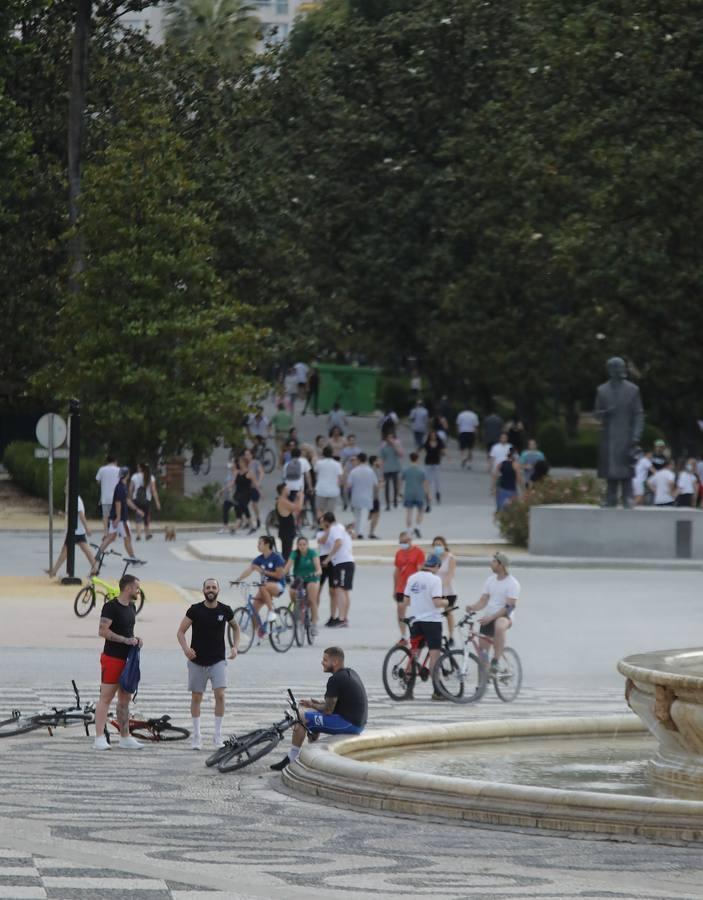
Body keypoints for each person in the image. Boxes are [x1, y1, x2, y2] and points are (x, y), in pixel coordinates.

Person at [270, 646, 367, 771]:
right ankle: (313, 752)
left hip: (349, 724)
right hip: (355, 721)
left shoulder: (335, 680)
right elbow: (336, 704)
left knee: (301, 717)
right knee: (308, 711)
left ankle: (291, 758)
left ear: (335, 662)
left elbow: (328, 710)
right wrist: (314, 705)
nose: (322, 662)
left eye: (325, 660)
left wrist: (313, 705)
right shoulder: (349, 673)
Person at [177, 578, 239, 750]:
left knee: (220, 695)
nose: (210, 590)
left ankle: (217, 736)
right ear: (203, 590)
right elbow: (181, 632)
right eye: (208, 587)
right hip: (196, 661)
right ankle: (197, 736)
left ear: (218, 590)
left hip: (218, 660)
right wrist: (186, 649)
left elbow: (236, 628)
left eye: (214, 587)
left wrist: (235, 647)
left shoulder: (225, 610)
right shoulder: (195, 610)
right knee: (197, 697)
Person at [93, 574, 144, 750]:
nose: (138, 590)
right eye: (137, 587)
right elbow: (103, 631)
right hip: (112, 657)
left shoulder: (132, 607)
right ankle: (99, 737)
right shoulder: (110, 607)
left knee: (125, 699)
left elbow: (128, 631)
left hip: (128, 659)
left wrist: (135, 639)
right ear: (128, 588)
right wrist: (124, 640)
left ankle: (125, 736)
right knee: (106, 697)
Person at [404, 555, 449, 700]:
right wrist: (446, 602)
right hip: (432, 621)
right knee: (434, 654)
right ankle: (437, 690)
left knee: (414, 653)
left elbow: (406, 600)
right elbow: (437, 602)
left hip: (415, 620)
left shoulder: (413, 577)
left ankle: (408, 690)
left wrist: (419, 603)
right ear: (436, 566)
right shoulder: (435, 579)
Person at [466, 551, 519, 669]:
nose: (491, 563)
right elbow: (483, 600)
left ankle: (496, 659)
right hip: (489, 616)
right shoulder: (490, 580)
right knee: (483, 654)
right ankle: (484, 681)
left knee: (499, 626)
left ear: (501, 565)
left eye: (494, 561)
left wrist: (492, 617)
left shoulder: (513, 583)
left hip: (504, 616)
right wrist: (472, 607)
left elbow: (509, 607)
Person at [235, 535, 286, 627]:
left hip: (278, 586)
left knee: (262, 586)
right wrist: (238, 580)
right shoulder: (259, 558)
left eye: (260, 543)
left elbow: (279, 575)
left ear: (267, 544)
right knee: (253, 611)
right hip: (265, 588)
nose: (257, 546)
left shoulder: (276, 557)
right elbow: (250, 569)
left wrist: (263, 571)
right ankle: (258, 634)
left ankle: (271, 612)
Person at [46, 492, 96, 578]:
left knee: (67, 551)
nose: (65, 489)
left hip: (76, 530)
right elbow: (74, 514)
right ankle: (95, 568)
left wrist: (87, 528)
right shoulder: (72, 498)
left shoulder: (76, 499)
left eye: (66, 486)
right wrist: (64, 514)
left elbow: (81, 515)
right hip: (76, 530)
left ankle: (54, 571)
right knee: (81, 549)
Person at [319, 512, 354, 628]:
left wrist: (328, 558)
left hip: (342, 562)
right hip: (347, 561)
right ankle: (344, 617)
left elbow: (338, 542)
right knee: (344, 590)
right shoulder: (339, 527)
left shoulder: (334, 529)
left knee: (339, 590)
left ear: (326, 522)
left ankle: (342, 618)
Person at [97, 466, 139, 561]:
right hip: (121, 519)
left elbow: (127, 500)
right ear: (127, 475)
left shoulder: (121, 486)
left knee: (111, 537)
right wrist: (119, 517)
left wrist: (137, 509)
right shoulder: (120, 487)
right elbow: (118, 503)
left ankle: (98, 555)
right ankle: (133, 558)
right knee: (127, 537)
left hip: (116, 517)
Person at [283, 536, 322, 636]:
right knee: (292, 592)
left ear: (307, 545)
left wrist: (316, 573)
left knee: (312, 598)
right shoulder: (295, 553)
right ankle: (294, 610)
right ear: (297, 546)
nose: (302, 546)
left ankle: (314, 625)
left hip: (311, 578)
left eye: (304, 544)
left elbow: (319, 569)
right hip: (299, 578)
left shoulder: (312, 553)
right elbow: (287, 567)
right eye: (300, 544)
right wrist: (282, 574)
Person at [393, 531, 425, 642]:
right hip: (401, 587)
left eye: (405, 542)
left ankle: (418, 635)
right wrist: (395, 587)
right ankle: (403, 636)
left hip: (414, 587)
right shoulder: (399, 553)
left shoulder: (418, 552)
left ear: (410, 541)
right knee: (400, 610)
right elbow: (397, 570)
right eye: (401, 542)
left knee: (416, 611)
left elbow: (420, 570)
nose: (403, 544)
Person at [347, 452, 378, 539]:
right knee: (364, 516)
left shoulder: (353, 471)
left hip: (356, 496)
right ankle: (360, 532)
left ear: (358, 460)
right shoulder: (370, 471)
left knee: (357, 516)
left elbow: (349, 485)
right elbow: (375, 484)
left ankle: (356, 532)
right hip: (367, 496)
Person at [433, 536, 457, 642]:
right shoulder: (433, 558)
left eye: (439, 545)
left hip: (448, 591)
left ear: (444, 545)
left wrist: (440, 585)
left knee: (448, 612)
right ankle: (435, 635)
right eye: (435, 545)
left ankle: (451, 636)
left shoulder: (450, 558)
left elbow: (450, 575)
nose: (437, 547)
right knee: (433, 613)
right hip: (435, 591)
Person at [128, 462, 160, 541]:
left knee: (138, 517)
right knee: (146, 517)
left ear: (141, 468)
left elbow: (130, 489)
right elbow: (153, 490)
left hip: (137, 499)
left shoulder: (134, 476)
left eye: (138, 467)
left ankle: (138, 535)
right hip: (147, 499)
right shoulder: (151, 477)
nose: (137, 468)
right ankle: (147, 534)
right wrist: (157, 502)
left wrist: (130, 498)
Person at [400, 452, 429, 538]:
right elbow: (425, 483)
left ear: (410, 459)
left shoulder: (406, 470)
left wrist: (399, 492)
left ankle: (409, 530)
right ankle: (417, 527)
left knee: (409, 512)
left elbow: (401, 481)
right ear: (418, 459)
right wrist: (428, 494)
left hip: (408, 493)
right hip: (419, 493)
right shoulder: (421, 471)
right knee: (420, 511)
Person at [274, 483, 304, 561]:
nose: (289, 490)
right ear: (283, 490)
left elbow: (294, 508)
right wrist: (301, 497)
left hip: (287, 531)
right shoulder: (282, 501)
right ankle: (284, 571)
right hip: (286, 532)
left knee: (287, 553)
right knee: (286, 554)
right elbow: (298, 508)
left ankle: (285, 571)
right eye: (287, 489)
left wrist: (297, 498)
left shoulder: (283, 500)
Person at [314, 445, 343, 515]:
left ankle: (321, 524)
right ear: (332, 453)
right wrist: (338, 487)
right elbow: (340, 478)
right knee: (330, 512)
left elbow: (316, 474)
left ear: (323, 453)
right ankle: (329, 525)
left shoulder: (319, 463)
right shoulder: (337, 464)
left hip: (321, 489)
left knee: (320, 510)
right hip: (333, 490)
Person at [95, 455, 120, 534]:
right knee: (116, 515)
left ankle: (106, 532)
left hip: (105, 496)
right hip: (116, 497)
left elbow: (98, 481)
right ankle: (114, 531)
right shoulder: (119, 470)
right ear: (115, 461)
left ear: (107, 461)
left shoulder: (102, 469)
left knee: (105, 515)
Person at [494, 447, 523, 512]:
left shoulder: (501, 464)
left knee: (501, 509)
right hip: (512, 490)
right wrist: (523, 489)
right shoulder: (516, 465)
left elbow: (495, 475)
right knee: (513, 510)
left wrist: (494, 488)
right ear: (514, 455)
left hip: (501, 489)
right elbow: (519, 479)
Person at [380, 433, 403, 509]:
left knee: (395, 486)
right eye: (388, 438)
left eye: (391, 438)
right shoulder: (383, 447)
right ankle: (387, 504)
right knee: (386, 487)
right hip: (387, 468)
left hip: (395, 468)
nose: (390, 439)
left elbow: (401, 455)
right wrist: (381, 471)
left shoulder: (396, 446)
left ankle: (395, 500)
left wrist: (395, 446)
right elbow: (382, 459)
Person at [423, 429, 445, 506]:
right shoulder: (427, 443)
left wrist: (444, 454)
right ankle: (427, 495)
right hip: (428, 462)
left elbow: (443, 450)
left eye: (434, 435)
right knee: (428, 480)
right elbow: (424, 450)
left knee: (437, 480)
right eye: (431, 435)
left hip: (436, 463)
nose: (433, 437)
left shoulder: (439, 443)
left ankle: (437, 494)